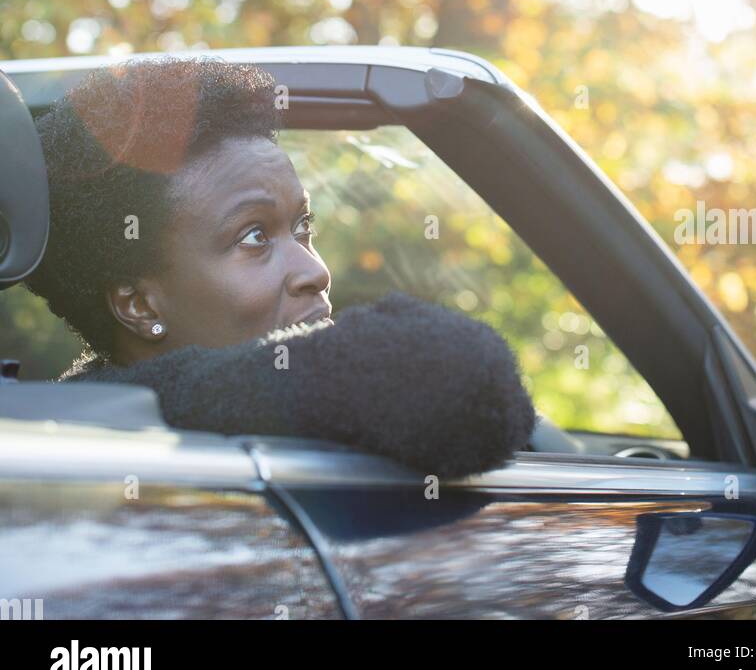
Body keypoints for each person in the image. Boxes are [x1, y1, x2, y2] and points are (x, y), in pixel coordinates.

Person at [26, 56, 536, 479]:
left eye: (302, 227)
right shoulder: (93, 451)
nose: (315, 271)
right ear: (138, 304)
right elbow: (457, 380)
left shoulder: (86, 424)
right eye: (253, 237)